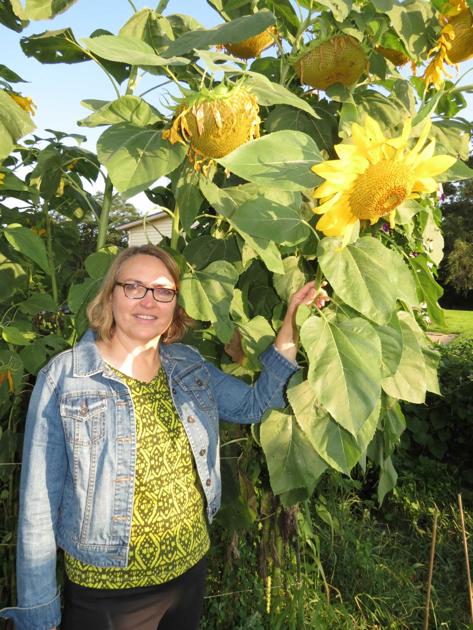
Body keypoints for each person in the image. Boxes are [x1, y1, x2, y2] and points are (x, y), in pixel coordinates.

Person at [0, 244, 328, 630]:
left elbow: (254, 405)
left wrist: (290, 321)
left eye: (163, 291)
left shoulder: (188, 365)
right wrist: (40, 614)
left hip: (188, 574)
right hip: (109, 596)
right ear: (110, 295)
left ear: (174, 304)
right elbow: (38, 502)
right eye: (133, 287)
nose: (148, 300)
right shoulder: (67, 377)